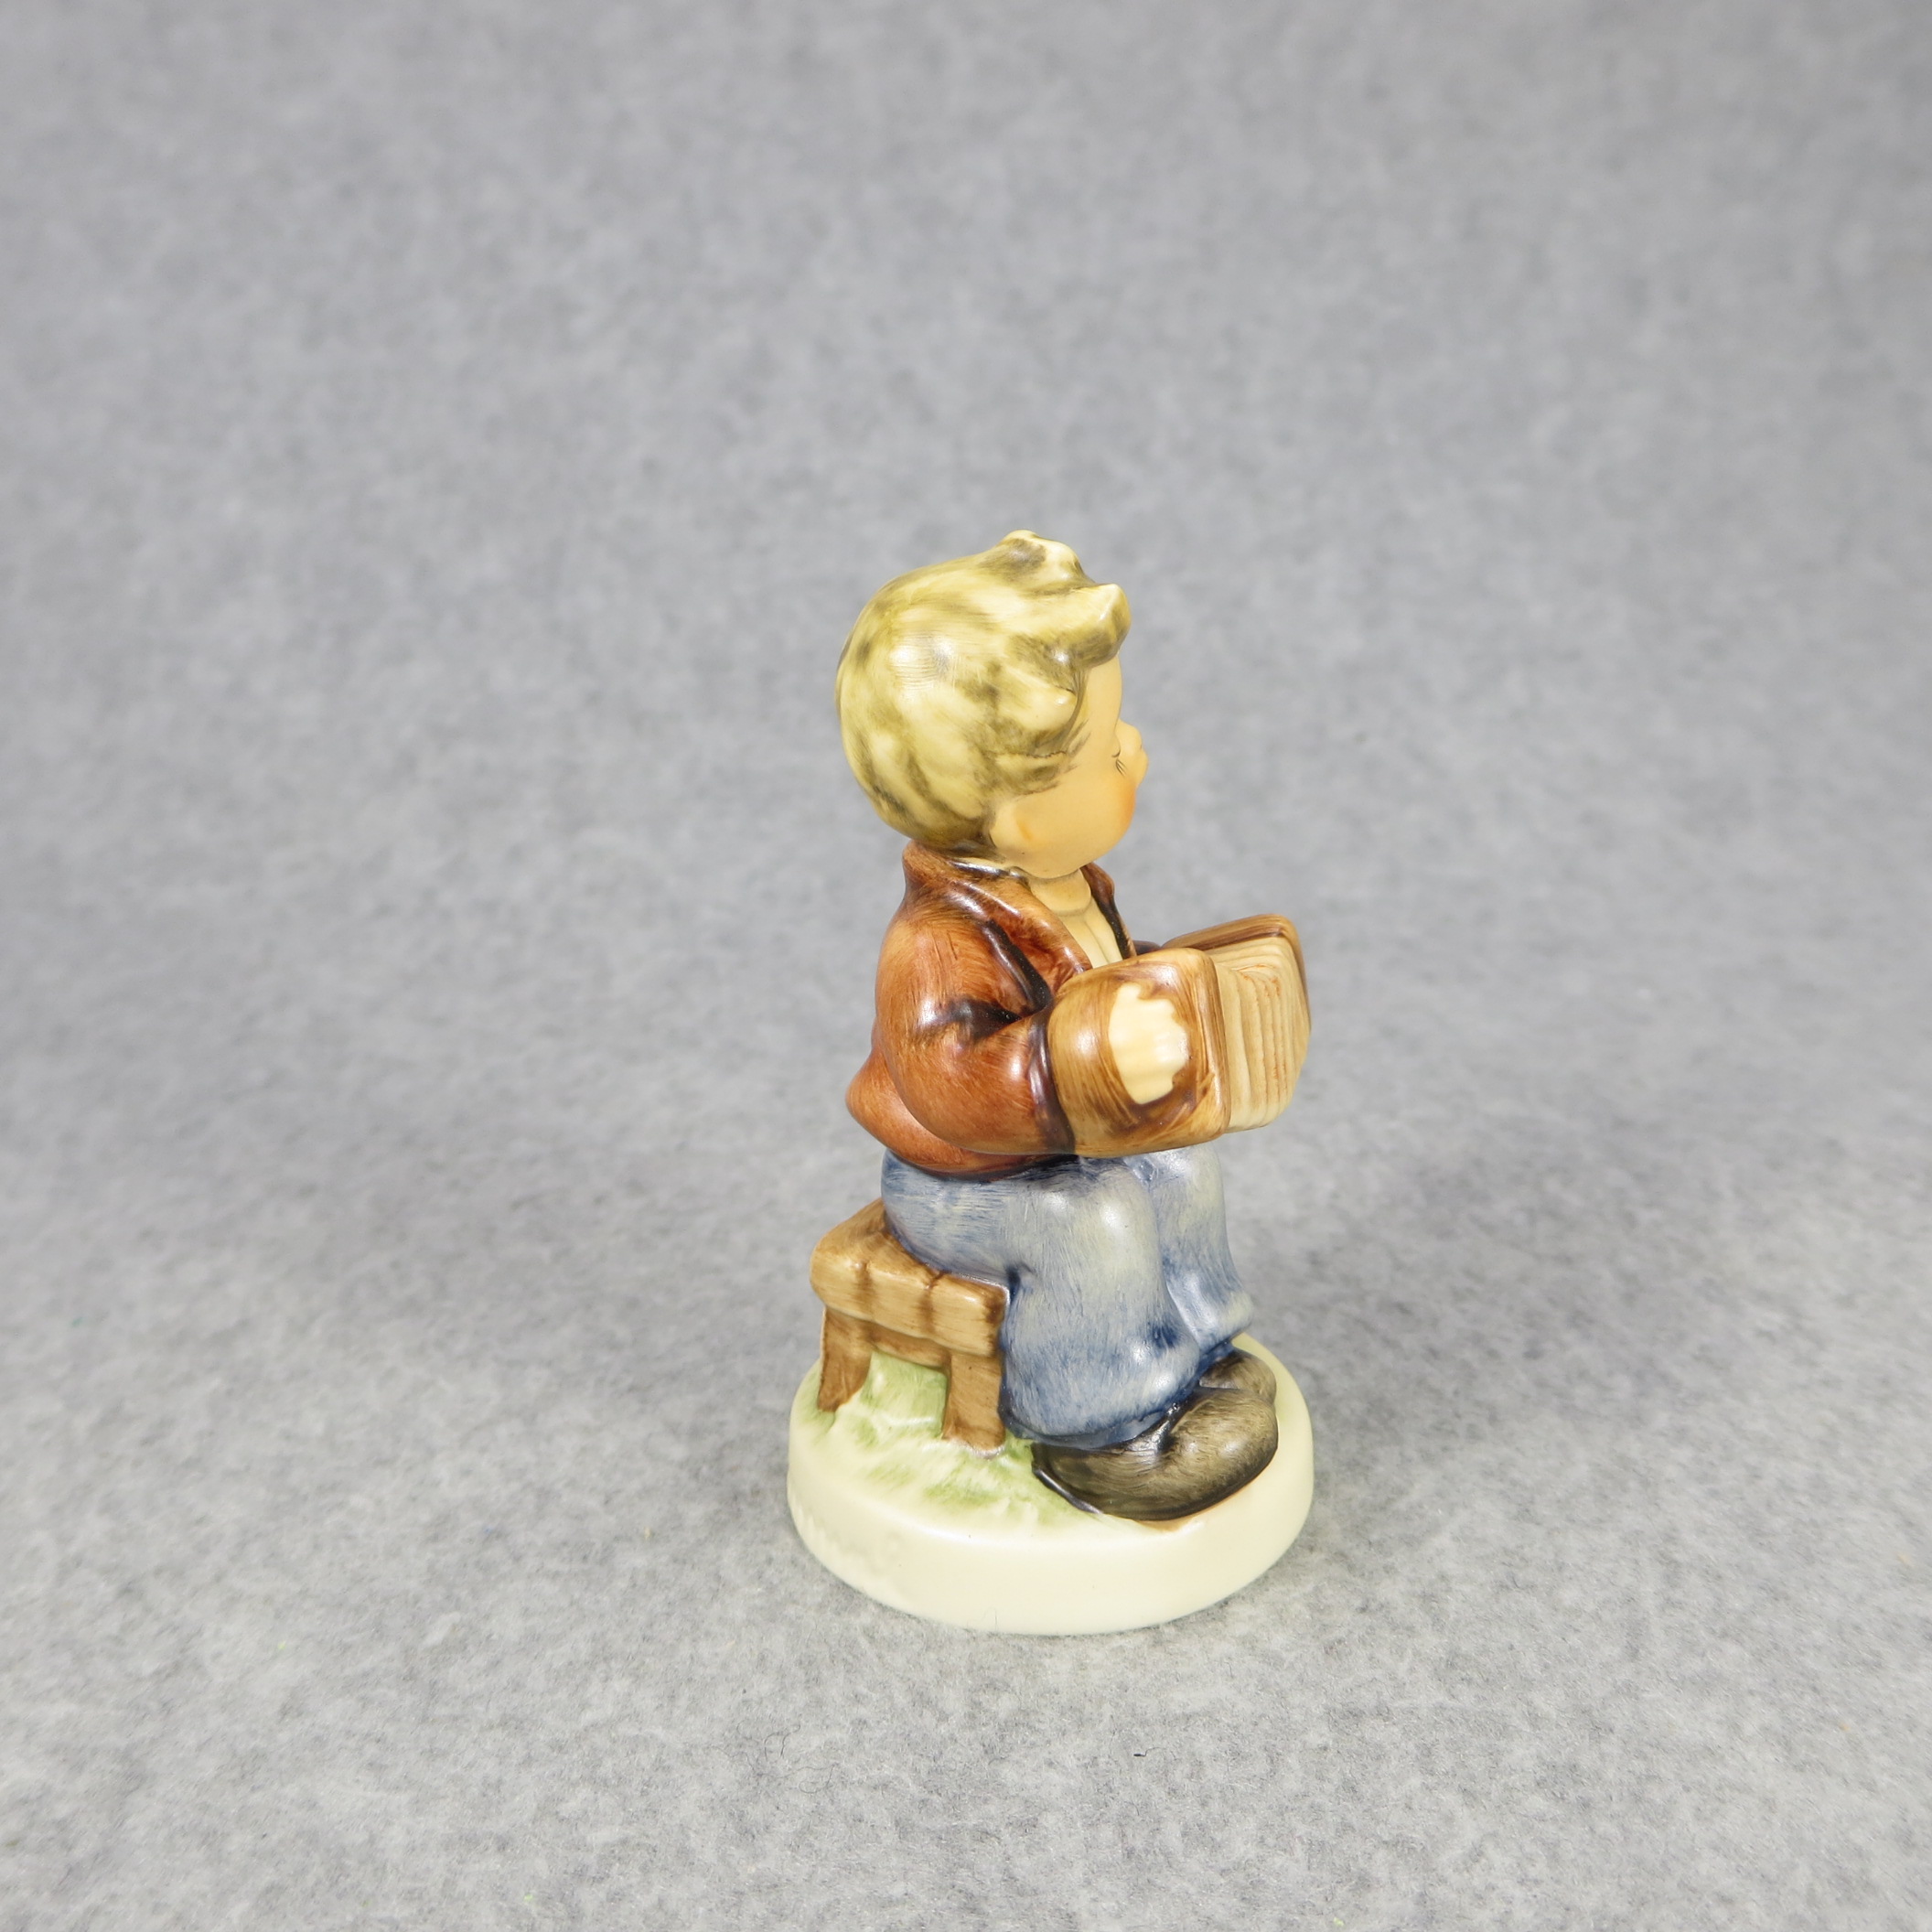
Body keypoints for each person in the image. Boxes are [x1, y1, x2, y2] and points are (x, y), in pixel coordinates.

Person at [833, 531, 1282, 1521]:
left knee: (1179, 1167)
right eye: (1108, 748)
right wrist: (1081, 1061)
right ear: (1025, 818)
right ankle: (1103, 1427)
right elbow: (955, 1086)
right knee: (1094, 1221)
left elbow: (1088, 989)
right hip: (965, 1184)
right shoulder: (933, 941)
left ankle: (1200, 1350)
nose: (1138, 750)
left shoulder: (1070, 887)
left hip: (1062, 1152)